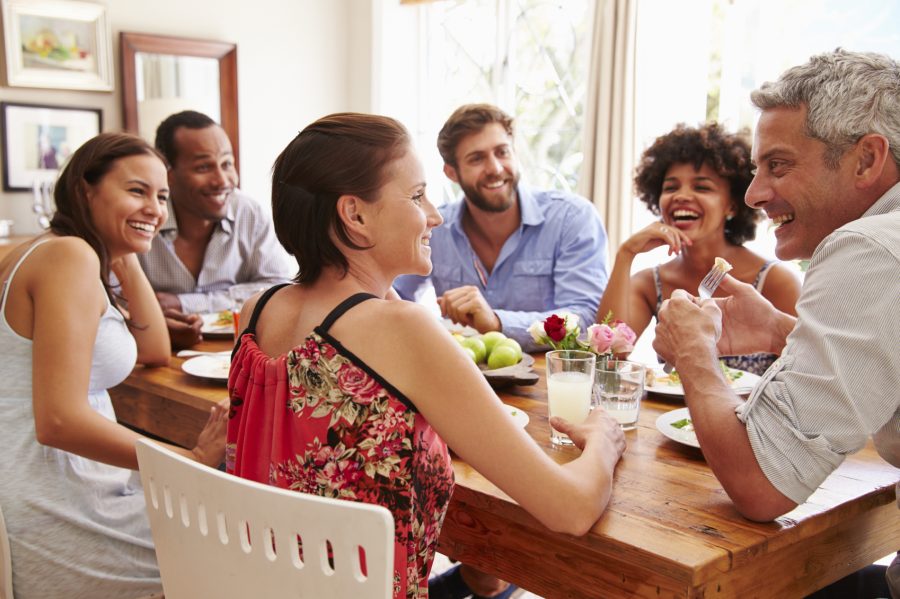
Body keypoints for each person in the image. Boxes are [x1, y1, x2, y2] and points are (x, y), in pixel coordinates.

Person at [225, 113, 626, 599]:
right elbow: (570, 509)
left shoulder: (256, 312)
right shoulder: (402, 331)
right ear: (354, 214)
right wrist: (604, 438)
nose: (435, 215)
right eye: (417, 196)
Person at [652, 48, 899, 522]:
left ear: (866, 159)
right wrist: (779, 330)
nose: (754, 194)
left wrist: (692, 354)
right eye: (755, 169)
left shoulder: (869, 246)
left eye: (779, 165)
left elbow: (763, 487)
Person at [0, 132, 228, 599]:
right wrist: (188, 461)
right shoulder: (69, 256)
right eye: (136, 191)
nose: (156, 209)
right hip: (55, 494)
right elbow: (59, 421)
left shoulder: (63, 250)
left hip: (68, 479)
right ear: (86, 189)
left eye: (162, 196)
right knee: (226, 558)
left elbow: (153, 351)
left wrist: (123, 255)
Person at [393, 103, 608, 351]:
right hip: (458, 375)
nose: (495, 168)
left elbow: (584, 318)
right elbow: (393, 296)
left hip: (545, 382)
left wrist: (497, 322)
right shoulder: (434, 227)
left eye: (502, 152)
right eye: (477, 158)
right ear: (452, 173)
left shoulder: (572, 218)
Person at [599, 122, 800, 374]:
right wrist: (625, 254)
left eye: (702, 187)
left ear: (733, 205)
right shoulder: (651, 282)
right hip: (669, 414)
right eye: (671, 187)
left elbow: (806, 373)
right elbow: (607, 360)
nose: (681, 195)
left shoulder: (776, 281)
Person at [138, 110, 291, 349]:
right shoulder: (142, 220)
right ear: (167, 174)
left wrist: (185, 303)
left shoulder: (249, 214)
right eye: (203, 167)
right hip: (158, 352)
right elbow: (121, 304)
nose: (222, 180)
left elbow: (277, 289)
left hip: (237, 354)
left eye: (227, 163)